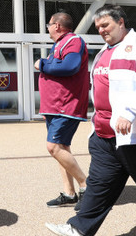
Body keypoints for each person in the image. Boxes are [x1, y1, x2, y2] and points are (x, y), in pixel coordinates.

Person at [46, 4, 136, 236]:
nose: (101, 30)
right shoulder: (104, 51)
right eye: (98, 27)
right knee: (98, 187)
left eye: (105, 25)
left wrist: (131, 113)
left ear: (121, 22)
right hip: (104, 134)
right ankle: (78, 228)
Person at [34, 12, 90, 208]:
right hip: (55, 106)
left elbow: (69, 66)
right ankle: (69, 193)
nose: (47, 28)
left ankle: (86, 185)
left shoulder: (73, 41)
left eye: (48, 25)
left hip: (66, 105)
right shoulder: (59, 43)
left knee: (54, 147)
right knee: (62, 148)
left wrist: (42, 63)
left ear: (57, 26)